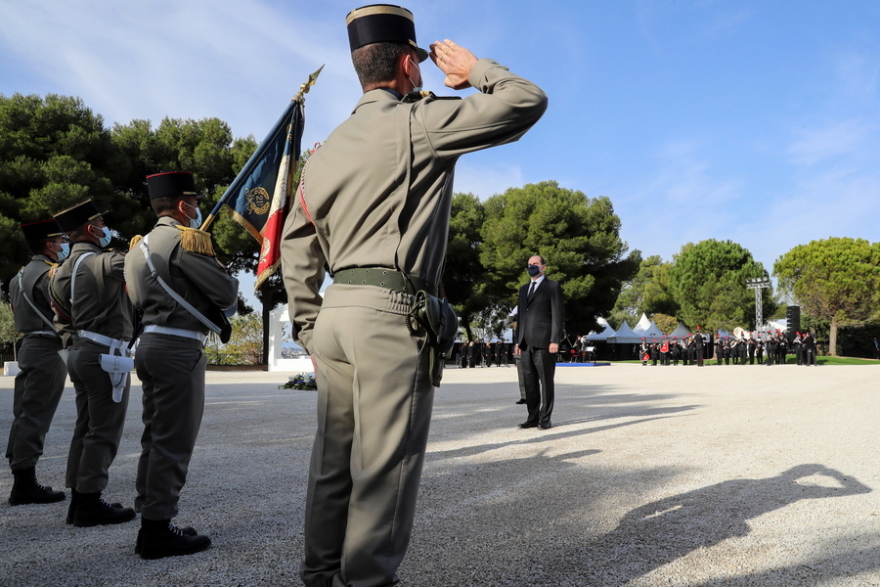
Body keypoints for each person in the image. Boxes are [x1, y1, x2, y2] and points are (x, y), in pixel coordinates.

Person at [279, 5, 547, 586]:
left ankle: (320, 576)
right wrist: (476, 70)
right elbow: (526, 100)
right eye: (419, 62)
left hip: (334, 314)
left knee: (333, 464)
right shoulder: (418, 122)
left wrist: (307, 326)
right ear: (407, 64)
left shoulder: (321, 155)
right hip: (389, 314)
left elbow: (295, 246)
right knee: (385, 470)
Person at [124, 171, 239, 559]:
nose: (197, 207)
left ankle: (151, 521)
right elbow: (227, 294)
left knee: (155, 437)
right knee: (173, 441)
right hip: (178, 347)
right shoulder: (185, 240)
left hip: (150, 344)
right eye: (194, 201)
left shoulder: (137, 247)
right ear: (182, 206)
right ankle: (158, 530)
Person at [50, 200, 136, 527]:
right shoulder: (107, 261)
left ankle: (79, 499)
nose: (105, 228)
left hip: (80, 350)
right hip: (105, 353)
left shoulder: (59, 271)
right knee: (103, 431)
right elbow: (145, 270)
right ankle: (89, 501)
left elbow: (62, 316)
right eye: (101, 223)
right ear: (91, 229)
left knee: (85, 427)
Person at [6, 220, 69, 505]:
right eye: (61, 240)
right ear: (49, 245)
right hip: (47, 347)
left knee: (25, 412)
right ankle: (24, 484)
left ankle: (22, 477)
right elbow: (66, 311)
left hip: (29, 344)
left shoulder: (17, 277)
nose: (64, 244)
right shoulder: (50, 274)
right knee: (36, 415)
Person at [515, 255, 564, 430]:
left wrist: (554, 340)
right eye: (529, 264)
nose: (531, 266)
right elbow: (521, 317)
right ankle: (532, 417)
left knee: (546, 382)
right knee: (529, 382)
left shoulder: (552, 286)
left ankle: (545, 418)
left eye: (535, 264)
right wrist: (518, 341)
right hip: (525, 343)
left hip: (544, 342)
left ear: (544, 267)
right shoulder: (523, 289)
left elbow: (557, 314)